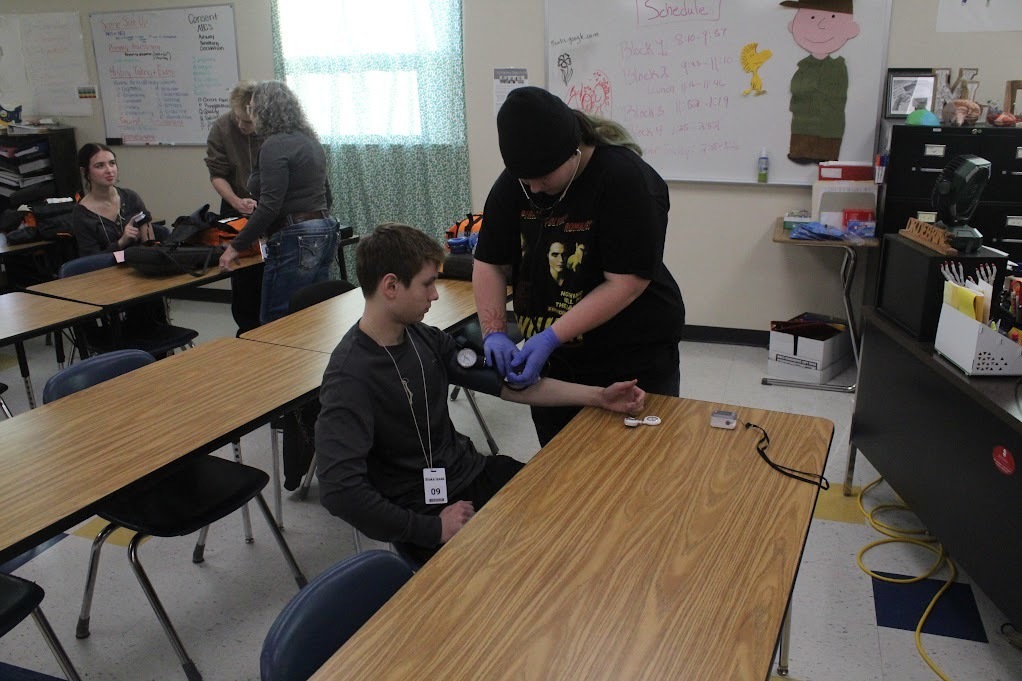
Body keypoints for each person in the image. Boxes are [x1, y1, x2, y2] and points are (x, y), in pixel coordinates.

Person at [315, 223, 646, 565]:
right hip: (425, 512)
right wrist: (431, 529)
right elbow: (340, 492)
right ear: (391, 286)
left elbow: (509, 386)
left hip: (469, 474)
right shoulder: (349, 376)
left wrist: (598, 397)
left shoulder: (421, 337)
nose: (435, 295)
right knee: (537, 567)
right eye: (428, 284)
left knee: (576, 513)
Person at [473, 86, 685, 447]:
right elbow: (490, 263)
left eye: (544, 178)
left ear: (574, 151)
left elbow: (626, 283)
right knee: (561, 470)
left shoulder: (625, 180)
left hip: (628, 355)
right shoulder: (516, 184)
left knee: (638, 470)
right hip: (556, 367)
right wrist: (493, 330)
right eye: (526, 182)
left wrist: (552, 335)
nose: (535, 189)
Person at [217, 80, 338, 324]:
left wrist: (235, 247)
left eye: (251, 109)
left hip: (294, 235)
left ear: (263, 110)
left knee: (276, 321)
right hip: (325, 230)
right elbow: (327, 197)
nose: (249, 114)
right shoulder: (310, 141)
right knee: (312, 316)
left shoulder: (275, 145)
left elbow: (270, 206)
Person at [205, 80, 265, 334]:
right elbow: (217, 174)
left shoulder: (272, 128)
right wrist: (236, 201)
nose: (242, 126)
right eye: (238, 119)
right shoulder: (221, 127)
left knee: (267, 271)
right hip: (234, 204)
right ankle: (246, 327)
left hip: (267, 205)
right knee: (243, 274)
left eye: (248, 122)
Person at [781, 0, 860, 163]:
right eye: (811, 18)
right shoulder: (804, 66)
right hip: (802, 122)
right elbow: (796, 90)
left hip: (830, 124)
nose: (821, 25)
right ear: (792, 26)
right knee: (801, 130)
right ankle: (800, 152)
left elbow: (838, 97)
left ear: (851, 30)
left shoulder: (838, 67)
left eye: (832, 17)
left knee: (829, 131)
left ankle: (825, 153)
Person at [72, 142, 157, 256]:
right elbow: (91, 261)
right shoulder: (82, 214)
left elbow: (149, 243)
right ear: (85, 172)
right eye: (100, 166)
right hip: (106, 270)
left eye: (112, 163)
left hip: (139, 264)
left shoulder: (131, 197)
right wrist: (121, 242)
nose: (109, 170)